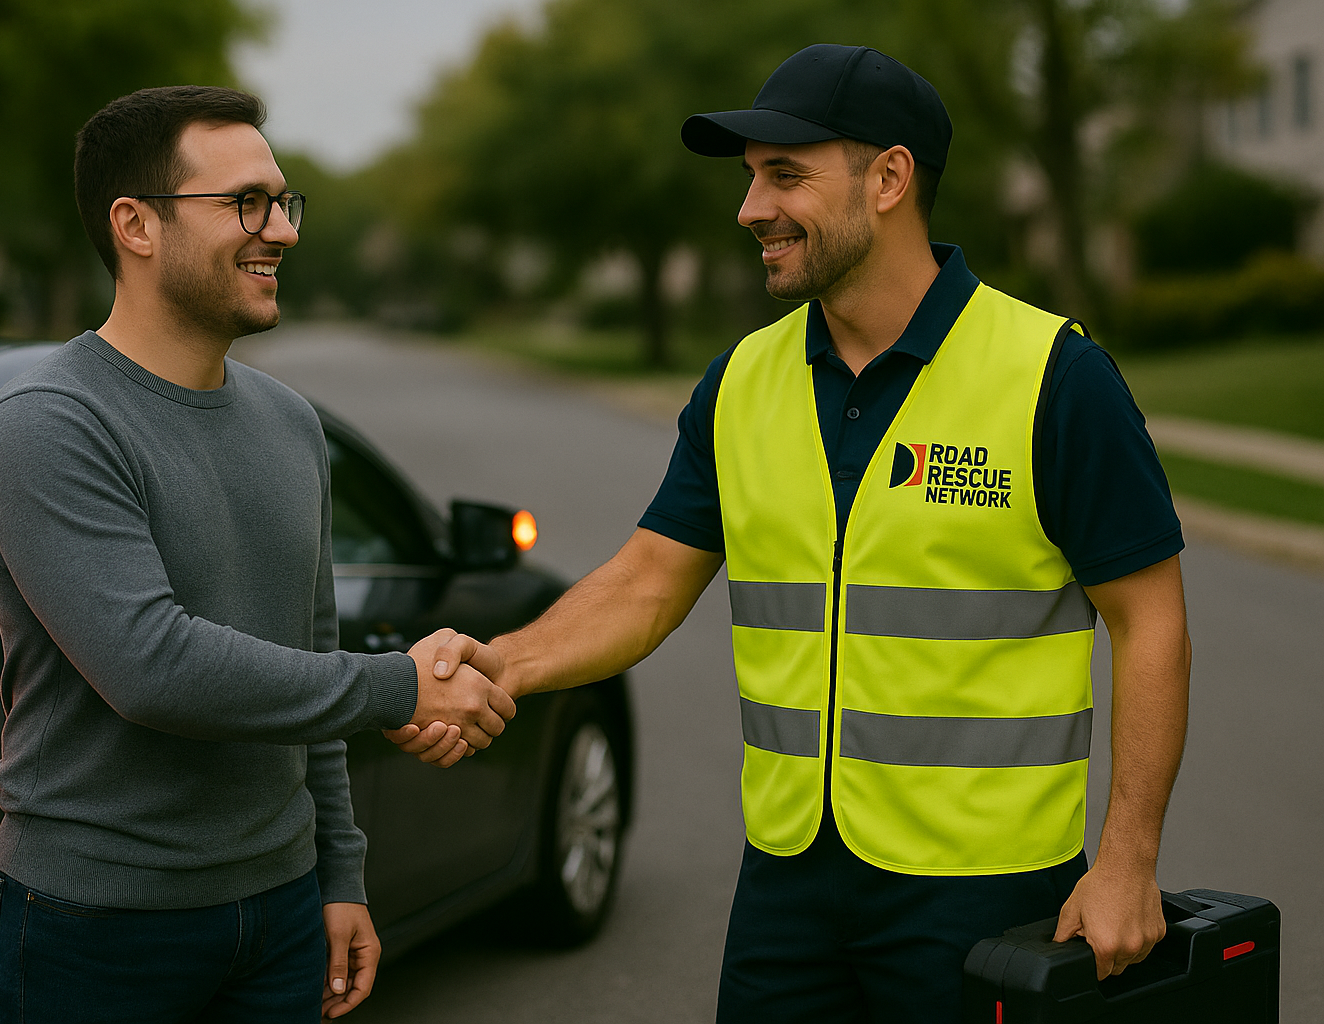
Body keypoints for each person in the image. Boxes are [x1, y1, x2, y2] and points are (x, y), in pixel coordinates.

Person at [415, 44, 1192, 1023]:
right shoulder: (742, 380)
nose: (751, 209)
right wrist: (504, 664)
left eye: (784, 174)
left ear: (890, 178)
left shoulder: (1055, 376)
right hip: (789, 882)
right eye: (750, 179)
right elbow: (649, 580)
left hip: (987, 887)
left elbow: (1150, 618)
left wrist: (1128, 860)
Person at [0, 86, 511, 1024]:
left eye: (283, 202)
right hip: (97, 924)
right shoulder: (48, 427)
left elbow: (307, 646)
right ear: (135, 226)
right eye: (245, 204)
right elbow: (152, 668)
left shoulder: (290, 423)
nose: (281, 231)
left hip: (282, 910)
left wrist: (340, 873)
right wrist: (401, 687)